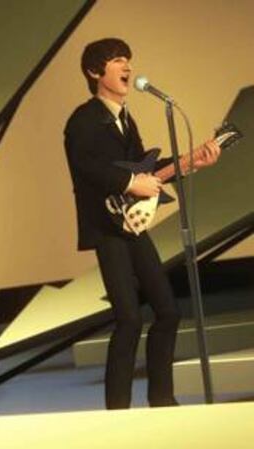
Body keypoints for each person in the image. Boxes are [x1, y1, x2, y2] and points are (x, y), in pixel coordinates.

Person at [64, 38, 221, 409]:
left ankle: (161, 398)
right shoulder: (83, 119)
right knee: (129, 319)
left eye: (128, 60)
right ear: (94, 71)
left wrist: (192, 162)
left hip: (131, 225)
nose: (127, 67)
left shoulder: (125, 119)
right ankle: (118, 410)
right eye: (118, 60)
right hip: (108, 228)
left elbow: (144, 168)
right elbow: (86, 166)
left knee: (168, 312)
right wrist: (130, 183)